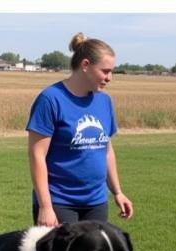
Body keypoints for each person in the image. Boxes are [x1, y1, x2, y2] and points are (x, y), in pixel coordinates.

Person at [27, 33, 133, 227]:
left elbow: (106, 150)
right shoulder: (51, 99)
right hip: (59, 203)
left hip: (96, 203)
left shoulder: (104, 101)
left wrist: (117, 192)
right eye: (105, 71)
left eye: (111, 72)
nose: (110, 78)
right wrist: (45, 206)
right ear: (85, 65)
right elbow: (37, 155)